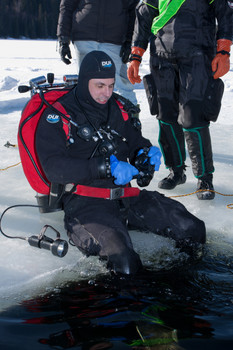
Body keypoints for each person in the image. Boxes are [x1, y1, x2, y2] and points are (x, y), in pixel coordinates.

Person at [35, 50, 206, 275]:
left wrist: (144, 154)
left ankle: (183, 298)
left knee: (193, 229)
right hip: (86, 205)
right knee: (125, 264)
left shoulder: (117, 108)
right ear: (86, 80)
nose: (107, 93)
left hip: (125, 198)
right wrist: (104, 167)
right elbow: (53, 168)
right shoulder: (59, 115)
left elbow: (134, 141)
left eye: (111, 85)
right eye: (99, 86)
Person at [127, 0, 233, 200]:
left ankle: (204, 178)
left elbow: (226, 12)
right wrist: (136, 55)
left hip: (198, 55)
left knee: (193, 117)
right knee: (165, 115)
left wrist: (224, 50)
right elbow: (143, 15)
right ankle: (176, 171)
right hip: (161, 54)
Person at [57, 0, 139, 110]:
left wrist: (130, 41)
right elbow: (67, 6)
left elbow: (134, 10)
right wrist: (63, 39)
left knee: (123, 85)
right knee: (87, 86)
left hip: (115, 40)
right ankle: (88, 123)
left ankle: (131, 122)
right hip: (84, 38)